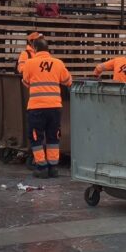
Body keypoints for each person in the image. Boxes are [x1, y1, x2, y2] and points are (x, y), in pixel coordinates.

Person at [21, 38, 72, 178]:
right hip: (55, 107)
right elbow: (68, 81)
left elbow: (25, 82)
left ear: (35, 48)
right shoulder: (58, 63)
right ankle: (53, 167)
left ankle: (41, 167)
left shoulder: (29, 63)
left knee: (36, 137)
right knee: (53, 137)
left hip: (37, 107)